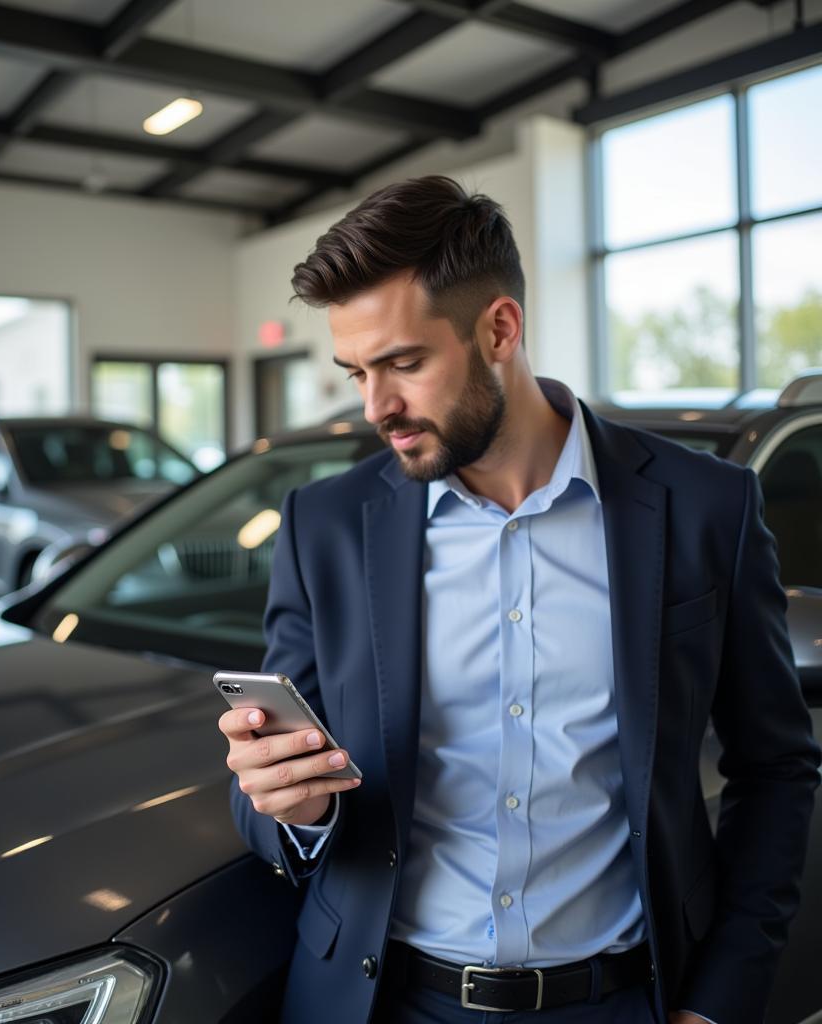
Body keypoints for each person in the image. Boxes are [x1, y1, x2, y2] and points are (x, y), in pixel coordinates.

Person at [219, 176, 819, 1024]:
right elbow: (271, 786)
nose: (375, 407)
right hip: (382, 1002)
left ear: (500, 327)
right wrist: (293, 805)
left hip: (621, 1002)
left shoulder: (704, 509)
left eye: (404, 363)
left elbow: (779, 769)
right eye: (356, 372)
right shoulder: (325, 525)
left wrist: (720, 1001)